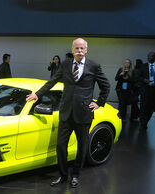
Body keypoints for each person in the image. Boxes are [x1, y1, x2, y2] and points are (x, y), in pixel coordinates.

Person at [26, 38, 110, 188]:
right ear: (72, 50)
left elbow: (106, 86)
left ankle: (76, 174)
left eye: (82, 48)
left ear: (86, 50)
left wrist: (99, 103)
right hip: (66, 113)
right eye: (77, 48)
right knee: (60, 146)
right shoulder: (65, 64)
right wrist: (38, 94)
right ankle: (63, 175)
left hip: (84, 113)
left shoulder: (94, 66)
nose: (79, 51)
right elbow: (52, 81)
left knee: (82, 146)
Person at [138, 52, 155, 130]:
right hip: (145, 89)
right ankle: (142, 123)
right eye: (148, 56)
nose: (148, 58)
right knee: (143, 106)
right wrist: (144, 80)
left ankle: (146, 121)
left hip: (153, 90)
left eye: (150, 56)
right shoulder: (143, 66)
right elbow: (138, 77)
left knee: (151, 108)